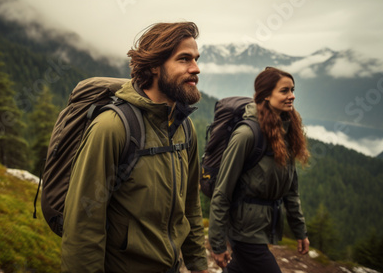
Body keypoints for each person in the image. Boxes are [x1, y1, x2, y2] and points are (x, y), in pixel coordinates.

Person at [61, 22, 208, 273]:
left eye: (195, 59)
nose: (195, 68)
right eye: (184, 59)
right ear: (154, 65)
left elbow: (191, 204)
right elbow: (84, 223)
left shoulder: (184, 128)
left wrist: (199, 264)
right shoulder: (113, 127)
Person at [208, 67, 310, 272]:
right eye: (285, 91)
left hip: (262, 228)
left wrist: (300, 231)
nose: (292, 96)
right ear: (265, 95)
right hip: (243, 230)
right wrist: (217, 243)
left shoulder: (286, 132)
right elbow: (223, 191)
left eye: (293, 89)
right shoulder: (247, 134)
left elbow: (291, 190)